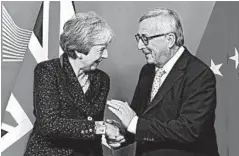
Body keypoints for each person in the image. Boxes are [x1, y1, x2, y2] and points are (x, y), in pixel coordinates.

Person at [106, 8, 219, 156]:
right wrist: (123, 135)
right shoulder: (147, 71)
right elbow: (142, 121)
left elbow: (188, 130)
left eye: (145, 39)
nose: (140, 46)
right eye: (138, 38)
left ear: (170, 39)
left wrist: (134, 124)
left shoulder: (199, 75)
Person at [24, 11, 122, 156]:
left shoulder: (102, 79)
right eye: (101, 49)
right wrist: (100, 127)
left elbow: (93, 126)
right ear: (79, 51)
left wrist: (111, 133)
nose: (106, 55)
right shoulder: (48, 71)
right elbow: (49, 125)